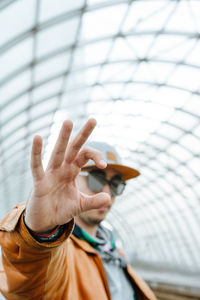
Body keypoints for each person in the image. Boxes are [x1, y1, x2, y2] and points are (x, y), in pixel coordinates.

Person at [0, 118, 157, 300]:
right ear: (72, 178)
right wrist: (39, 234)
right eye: (96, 178)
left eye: (116, 184)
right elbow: (29, 280)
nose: (107, 192)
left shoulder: (114, 250)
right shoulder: (57, 253)